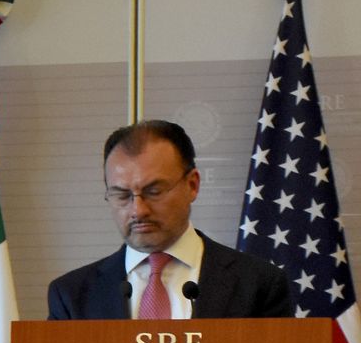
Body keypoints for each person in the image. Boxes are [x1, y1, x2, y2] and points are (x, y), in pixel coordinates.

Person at [47, 119, 294, 320]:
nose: (138, 210)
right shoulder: (72, 296)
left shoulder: (258, 285)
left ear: (192, 185)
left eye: (154, 191)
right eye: (122, 195)